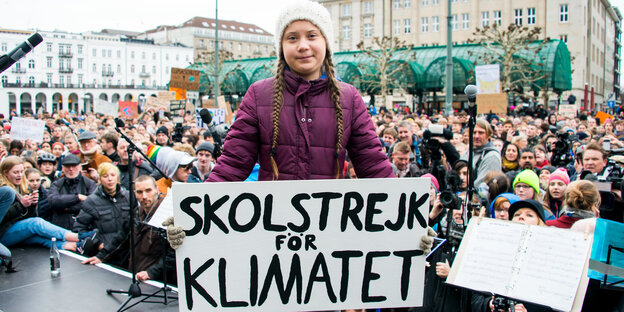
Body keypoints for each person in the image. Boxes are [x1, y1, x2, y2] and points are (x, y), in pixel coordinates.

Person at [82, 175, 176, 284]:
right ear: (135, 193)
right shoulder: (136, 213)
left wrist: (151, 272)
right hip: (135, 276)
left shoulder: (169, 215)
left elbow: (173, 254)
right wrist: (101, 256)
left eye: (148, 190)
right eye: (140, 192)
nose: (144, 196)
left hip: (159, 282)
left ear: (157, 190)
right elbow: (121, 239)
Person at [0, 156, 89, 254]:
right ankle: (78, 236)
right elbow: (3, 217)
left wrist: (31, 205)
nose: (19, 175)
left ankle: (74, 246)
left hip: (13, 230)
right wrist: (21, 206)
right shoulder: (4, 192)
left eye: (21, 172)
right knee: (36, 224)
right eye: (15, 172)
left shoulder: (21, 188)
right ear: (5, 173)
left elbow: (27, 217)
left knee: (37, 237)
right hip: (2, 233)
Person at [73, 163, 131, 260]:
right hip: (104, 254)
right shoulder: (91, 201)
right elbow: (79, 229)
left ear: (117, 178)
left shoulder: (128, 197)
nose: (110, 179)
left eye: (113, 175)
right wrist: (97, 244)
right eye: (105, 176)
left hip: (127, 252)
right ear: (99, 179)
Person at [47, 154, 97, 230]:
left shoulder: (89, 183)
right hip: (61, 229)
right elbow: (53, 201)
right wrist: (77, 197)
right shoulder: (57, 184)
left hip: (85, 229)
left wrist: (66, 207)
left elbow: (92, 204)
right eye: (67, 166)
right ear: (63, 168)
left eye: (74, 166)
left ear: (80, 167)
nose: (71, 169)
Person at [461, 119, 501, 188]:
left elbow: (481, 184)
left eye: (481, 133)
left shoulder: (492, 156)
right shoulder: (466, 153)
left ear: (488, 135)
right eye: (474, 132)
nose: (477, 136)